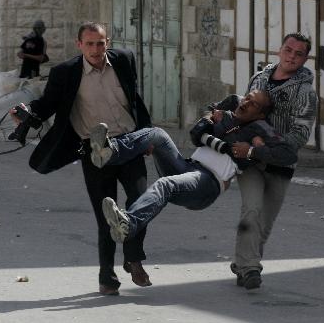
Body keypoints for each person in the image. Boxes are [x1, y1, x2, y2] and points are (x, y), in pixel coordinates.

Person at [11, 21, 152, 296]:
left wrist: (146, 134)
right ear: (79, 45)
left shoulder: (124, 60)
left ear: (107, 42)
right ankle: (107, 278)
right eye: (89, 44)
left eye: (100, 43)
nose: (96, 49)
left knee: (141, 202)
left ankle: (133, 259)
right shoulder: (65, 73)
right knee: (106, 216)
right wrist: (26, 112)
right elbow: (47, 104)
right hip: (95, 149)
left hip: (130, 143)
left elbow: (134, 98)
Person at [94, 90, 297, 245]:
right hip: (187, 166)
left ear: (260, 115)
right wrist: (210, 118)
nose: (246, 103)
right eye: (248, 98)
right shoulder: (230, 107)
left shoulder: (259, 129)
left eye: (253, 104)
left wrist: (252, 152)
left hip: (208, 183)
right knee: (157, 134)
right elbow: (203, 120)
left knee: (165, 184)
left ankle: (128, 224)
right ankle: (109, 152)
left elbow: (288, 154)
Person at [219, 32, 318, 290]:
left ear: (305, 58)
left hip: (280, 164)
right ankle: (250, 267)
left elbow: (300, 134)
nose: (291, 57)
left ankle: (243, 260)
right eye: (288, 50)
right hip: (248, 160)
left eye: (298, 54)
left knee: (265, 223)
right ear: (280, 50)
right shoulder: (259, 78)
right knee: (251, 210)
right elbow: (243, 113)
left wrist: (266, 148)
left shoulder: (306, 93)